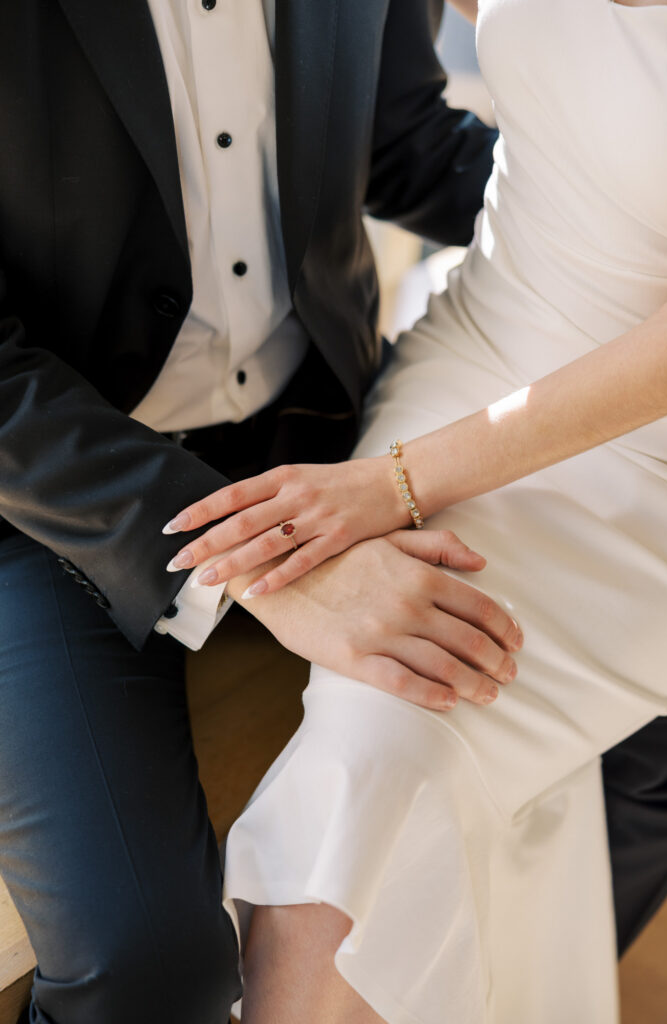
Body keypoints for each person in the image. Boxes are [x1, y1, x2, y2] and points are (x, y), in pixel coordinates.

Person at [0, 3, 534, 1023]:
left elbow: (406, 146)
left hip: (326, 427)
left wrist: (618, 200)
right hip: (47, 494)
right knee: (150, 965)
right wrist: (259, 555)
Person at [164, 0, 667, 1020]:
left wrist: (395, 482)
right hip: (480, 344)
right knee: (380, 734)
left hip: (654, 452)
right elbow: (406, 114)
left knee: (427, 731)